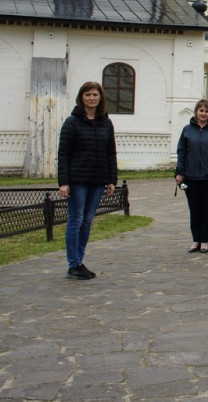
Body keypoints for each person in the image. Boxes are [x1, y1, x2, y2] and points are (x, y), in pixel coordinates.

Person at [58, 81, 118, 280]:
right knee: (75, 220)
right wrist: (64, 182)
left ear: (100, 98)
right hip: (77, 179)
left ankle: (79, 260)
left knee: (88, 220)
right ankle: (73, 263)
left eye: (95, 95)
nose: (91, 98)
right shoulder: (72, 122)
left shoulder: (105, 122)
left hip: (97, 178)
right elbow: (64, 153)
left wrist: (111, 179)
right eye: (88, 95)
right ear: (81, 98)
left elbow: (111, 152)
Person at [175, 99, 208, 254]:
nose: (203, 114)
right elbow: (182, 151)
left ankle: (204, 241)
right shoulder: (187, 130)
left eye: (206, 111)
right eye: (201, 110)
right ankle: (195, 240)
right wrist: (180, 171)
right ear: (196, 112)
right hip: (191, 176)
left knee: (206, 209)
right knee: (194, 210)